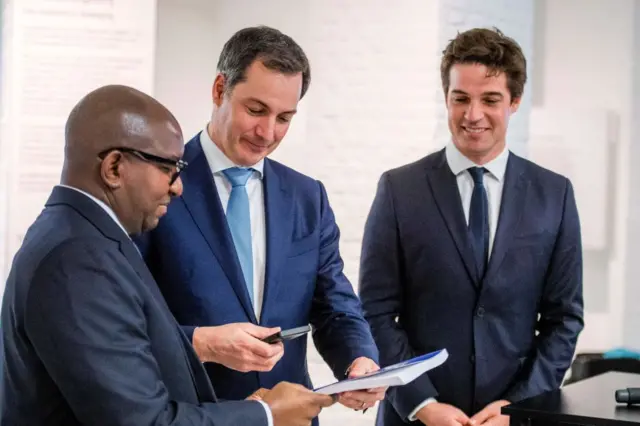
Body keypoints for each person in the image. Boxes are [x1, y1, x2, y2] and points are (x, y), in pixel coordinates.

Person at [0, 84, 335, 426]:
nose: (178, 186)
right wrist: (265, 415)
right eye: (169, 168)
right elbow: (143, 421)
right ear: (114, 168)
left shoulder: (88, 238)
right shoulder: (77, 260)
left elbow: (136, 364)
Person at [133, 25, 384, 420]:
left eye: (284, 117)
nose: (267, 133)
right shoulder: (156, 183)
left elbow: (334, 304)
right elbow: (126, 322)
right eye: (256, 110)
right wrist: (203, 343)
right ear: (220, 90)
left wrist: (359, 360)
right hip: (191, 414)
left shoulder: (307, 197)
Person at [359, 27, 584, 426]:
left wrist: (519, 406)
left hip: (512, 416)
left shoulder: (555, 194)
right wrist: (421, 404)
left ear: (514, 102)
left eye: (490, 100)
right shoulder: (399, 189)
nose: (472, 114)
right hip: (414, 418)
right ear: (446, 98)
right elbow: (375, 312)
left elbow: (563, 318)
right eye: (460, 98)